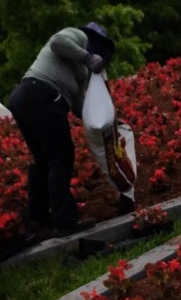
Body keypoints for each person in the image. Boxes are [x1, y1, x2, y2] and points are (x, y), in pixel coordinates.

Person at [7, 21, 116, 235]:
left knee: (43, 161)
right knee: (61, 158)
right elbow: (57, 42)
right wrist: (86, 56)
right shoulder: (76, 36)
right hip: (42, 94)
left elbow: (77, 103)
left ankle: (38, 218)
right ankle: (63, 220)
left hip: (25, 98)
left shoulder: (80, 71)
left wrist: (102, 121)